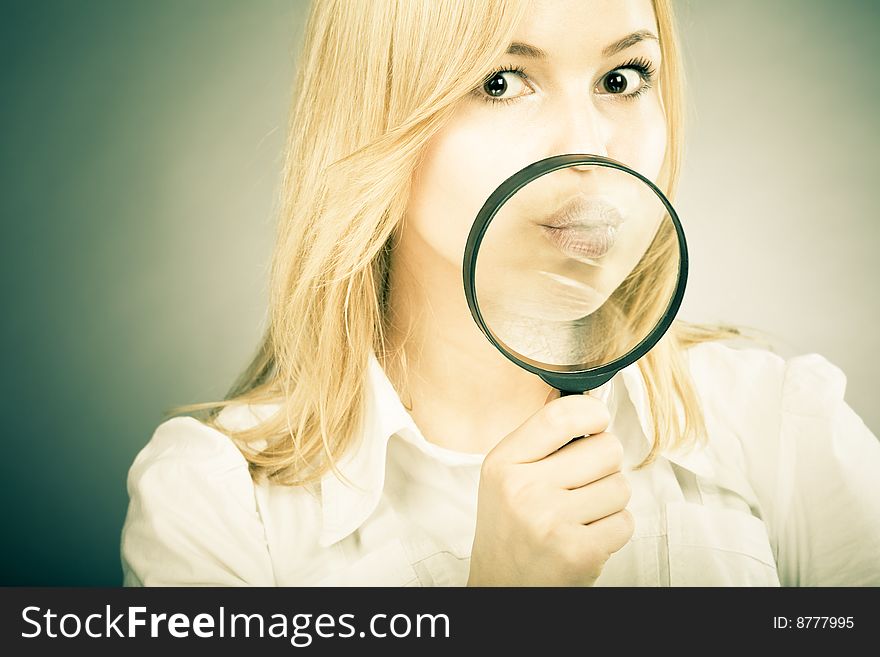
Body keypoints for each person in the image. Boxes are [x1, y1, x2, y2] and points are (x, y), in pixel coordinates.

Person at [120, 0, 880, 586]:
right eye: (501, 82)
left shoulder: (777, 420)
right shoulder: (217, 505)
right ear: (377, 117)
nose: (587, 144)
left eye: (623, 79)